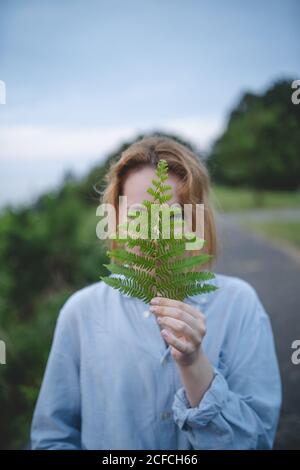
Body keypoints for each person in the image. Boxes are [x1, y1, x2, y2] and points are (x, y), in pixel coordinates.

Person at [31, 136, 282, 450]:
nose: (155, 231)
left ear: (196, 221)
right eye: (138, 216)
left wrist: (194, 364)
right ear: (117, 220)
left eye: (172, 215)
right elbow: (53, 438)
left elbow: (257, 441)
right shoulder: (81, 313)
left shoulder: (239, 305)